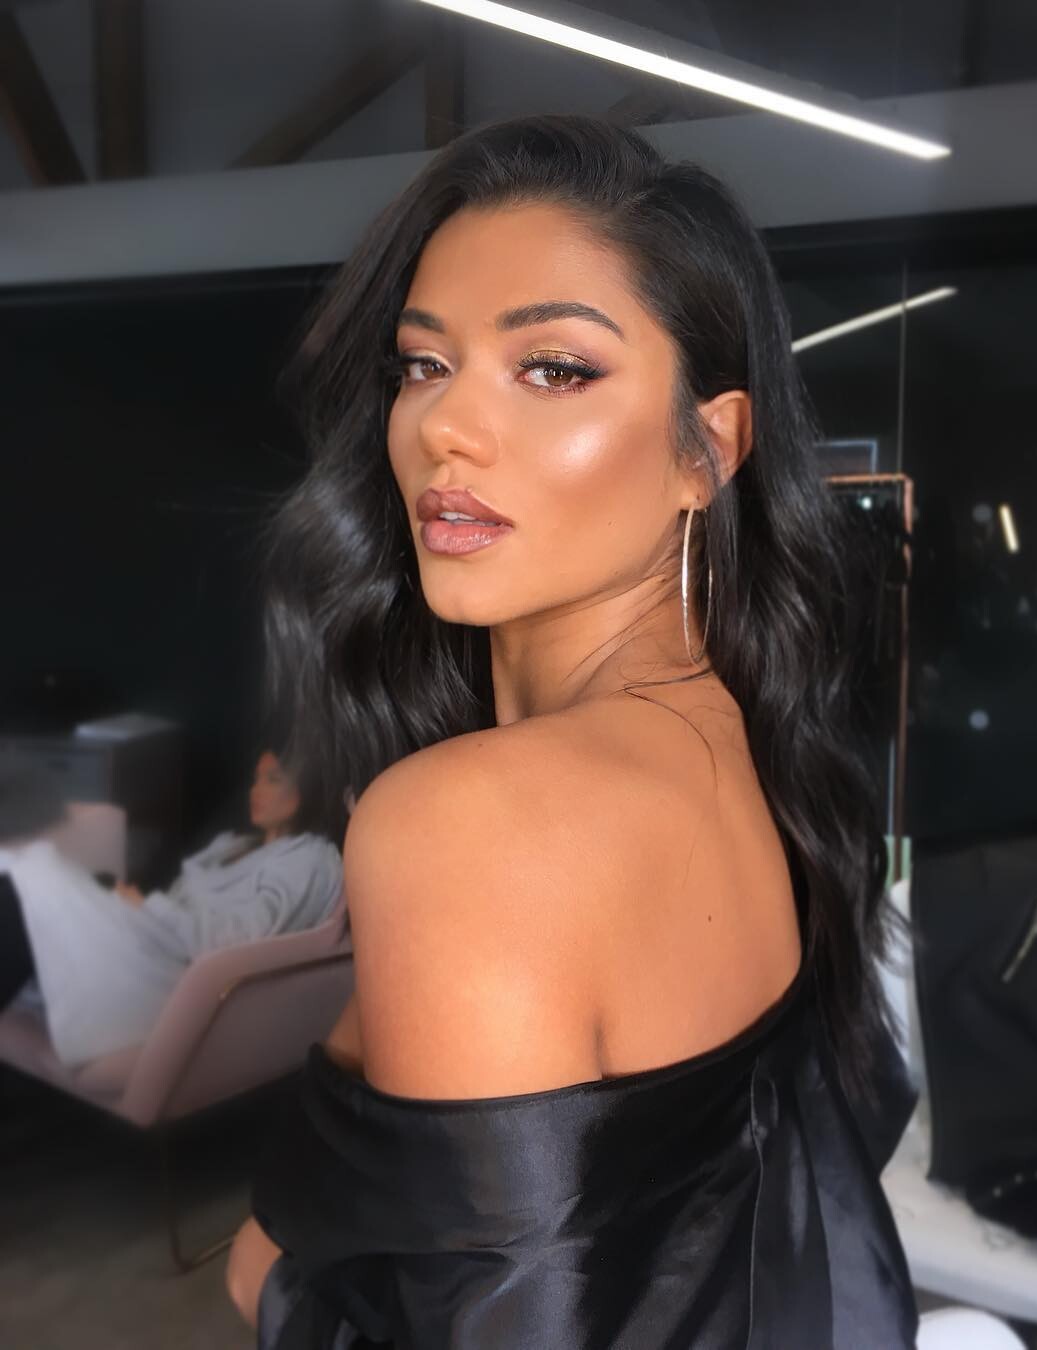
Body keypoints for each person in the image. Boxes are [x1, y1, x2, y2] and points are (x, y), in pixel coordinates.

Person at [226, 115, 919, 1347]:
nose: (446, 427)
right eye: (423, 365)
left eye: (553, 368)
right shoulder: (753, 751)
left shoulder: (477, 824)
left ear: (709, 449)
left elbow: (283, 1271)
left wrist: (274, 1283)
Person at [0, 749, 343, 1066]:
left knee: (37, 875)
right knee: (31, 871)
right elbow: (177, 899)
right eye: (256, 779)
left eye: (273, 779)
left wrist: (149, 906)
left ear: (307, 791)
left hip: (178, 970)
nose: (256, 790)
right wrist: (132, 906)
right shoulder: (233, 845)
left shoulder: (309, 859)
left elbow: (244, 937)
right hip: (155, 937)